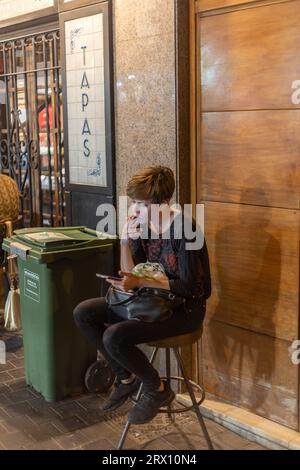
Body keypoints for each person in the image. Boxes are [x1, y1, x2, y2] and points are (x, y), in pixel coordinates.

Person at [73, 165, 211, 425]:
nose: (136, 210)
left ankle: (156, 389)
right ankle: (126, 378)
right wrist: (124, 242)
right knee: (84, 313)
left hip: (185, 309)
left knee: (114, 337)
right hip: (153, 301)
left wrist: (143, 280)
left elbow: (191, 288)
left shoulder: (184, 229)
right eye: (134, 203)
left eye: (143, 204)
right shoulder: (143, 226)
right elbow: (129, 279)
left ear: (164, 202)